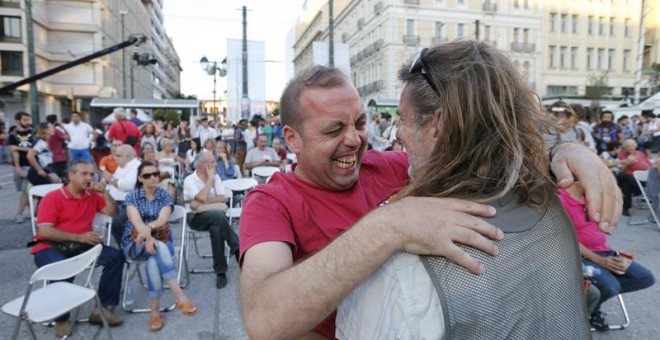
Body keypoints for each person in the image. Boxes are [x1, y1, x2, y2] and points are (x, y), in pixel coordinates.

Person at [239, 65, 621, 339]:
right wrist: (390, 225)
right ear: (291, 138)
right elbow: (262, 319)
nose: (355, 140)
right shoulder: (270, 202)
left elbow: (477, 144)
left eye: (358, 123)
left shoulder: (386, 167)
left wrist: (564, 148)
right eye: (334, 129)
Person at [336, 41, 591, 338]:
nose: (398, 133)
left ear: (438, 126)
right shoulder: (551, 208)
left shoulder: (402, 267)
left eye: (402, 119)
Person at [31, 160, 123, 337]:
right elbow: (45, 230)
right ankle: (61, 318)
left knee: (116, 257)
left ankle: (101, 309)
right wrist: (79, 237)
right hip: (50, 245)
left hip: (82, 245)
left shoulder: (92, 195)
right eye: (84, 174)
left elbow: (113, 213)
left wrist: (105, 192)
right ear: (70, 175)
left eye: (91, 174)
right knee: (61, 266)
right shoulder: (53, 197)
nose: (89, 178)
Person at [559, 182, 655, 331]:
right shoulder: (561, 199)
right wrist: (601, 262)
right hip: (582, 257)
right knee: (610, 286)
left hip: (605, 252)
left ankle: (591, 301)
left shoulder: (591, 198)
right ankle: (589, 312)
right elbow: (566, 239)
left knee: (645, 278)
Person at [123, 161, 198, 331]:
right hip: (135, 242)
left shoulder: (164, 195)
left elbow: (162, 219)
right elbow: (136, 222)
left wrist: (149, 232)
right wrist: (148, 236)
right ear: (140, 178)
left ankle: (155, 313)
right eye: (147, 175)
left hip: (160, 238)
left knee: (154, 260)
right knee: (159, 249)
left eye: (155, 174)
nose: (152, 178)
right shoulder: (132, 197)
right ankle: (179, 296)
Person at [184, 152, 240, 289]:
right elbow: (196, 204)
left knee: (216, 227)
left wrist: (204, 201)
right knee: (218, 216)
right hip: (195, 218)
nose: (215, 164)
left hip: (215, 217)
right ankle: (236, 246)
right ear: (203, 165)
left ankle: (220, 272)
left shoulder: (217, 177)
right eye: (212, 162)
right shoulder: (190, 180)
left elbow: (222, 198)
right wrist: (209, 181)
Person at [108, 145, 141, 245]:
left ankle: (128, 247)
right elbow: (114, 183)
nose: (115, 158)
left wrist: (111, 179)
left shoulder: (137, 166)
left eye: (118, 155)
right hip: (113, 201)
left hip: (127, 203)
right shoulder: (121, 167)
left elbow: (127, 185)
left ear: (128, 156)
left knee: (115, 222)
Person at [8, 112, 33, 223]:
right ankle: (33, 211)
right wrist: (18, 167)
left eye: (28, 120)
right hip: (19, 165)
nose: (27, 122)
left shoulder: (33, 133)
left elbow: (33, 149)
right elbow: (13, 151)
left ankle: (19, 213)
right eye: (25, 120)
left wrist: (18, 148)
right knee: (23, 190)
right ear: (18, 121)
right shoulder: (13, 135)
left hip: (31, 164)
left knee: (26, 190)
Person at [45, 114, 69, 179]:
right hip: (59, 156)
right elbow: (68, 138)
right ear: (55, 121)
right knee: (62, 176)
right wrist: (63, 128)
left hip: (49, 158)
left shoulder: (45, 131)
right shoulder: (56, 130)